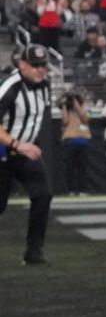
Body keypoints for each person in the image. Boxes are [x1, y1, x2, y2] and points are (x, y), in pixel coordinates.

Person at [0, 44, 55, 264]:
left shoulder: (45, 87)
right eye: (35, 65)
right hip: (3, 149)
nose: (40, 70)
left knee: (43, 194)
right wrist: (15, 143)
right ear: (21, 64)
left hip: (25, 151)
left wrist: (28, 143)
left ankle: (34, 251)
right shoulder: (10, 87)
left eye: (43, 65)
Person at [60, 89, 90, 194]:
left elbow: (84, 118)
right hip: (70, 140)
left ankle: (82, 190)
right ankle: (71, 190)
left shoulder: (84, 108)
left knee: (82, 167)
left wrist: (75, 101)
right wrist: (64, 104)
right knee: (70, 167)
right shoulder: (66, 110)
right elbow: (65, 121)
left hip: (83, 141)